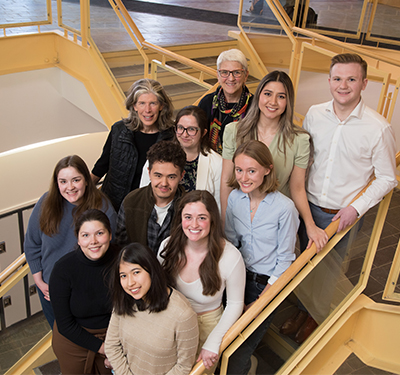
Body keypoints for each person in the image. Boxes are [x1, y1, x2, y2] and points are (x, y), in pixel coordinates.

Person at [280, 53, 398, 343]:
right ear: (329, 81)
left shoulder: (378, 127)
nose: (343, 85)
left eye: (351, 79)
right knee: (300, 263)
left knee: (327, 272)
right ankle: (299, 310)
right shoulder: (315, 115)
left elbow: (387, 178)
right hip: (306, 206)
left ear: (364, 83)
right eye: (337, 78)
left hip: (339, 216)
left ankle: (314, 317)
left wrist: (354, 209)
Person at [221, 70, 328, 251]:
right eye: (268, 94)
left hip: (277, 225)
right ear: (259, 96)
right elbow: (227, 181)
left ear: (288, 102)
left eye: (281, 96)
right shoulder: (234, 131)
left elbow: (297, 188)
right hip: (240, 218)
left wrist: (310, 225)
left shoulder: (299, 139)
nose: (273, 102)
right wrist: (225, 221)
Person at [224, 140, 299, 374]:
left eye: (251, 171)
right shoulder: (235, 198)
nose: (244, 177)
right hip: (237, 276)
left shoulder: (285, 208)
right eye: (239, 170)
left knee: (239, 351)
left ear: (267, 169)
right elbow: (229, 241)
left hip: (266, 285)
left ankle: (246, 367)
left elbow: (285, 261)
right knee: (224, 341)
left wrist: (260, 303)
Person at [24, 155, 117, 328]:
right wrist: (39, 281)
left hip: (85, 294)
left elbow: (109, 253)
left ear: (87, 180)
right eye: (63, 181)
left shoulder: (102, 208)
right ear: (57, 183)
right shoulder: (46, 203)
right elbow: (32, 244)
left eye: (76, 180)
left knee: (83, 341)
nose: (70, 187)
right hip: (49, 289)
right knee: (60, 338)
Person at [158, 190, 245, 371]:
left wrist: (213, 342)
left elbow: (235, 304)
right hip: (171, 320)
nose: (194, 224)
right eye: (188, 217)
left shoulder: (231, 257)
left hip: (208, 326)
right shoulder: (168, 245)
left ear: (212, 219)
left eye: (202, 218)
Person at [105, 243, 199, 375]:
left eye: (136, 272)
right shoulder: (124, 299)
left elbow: (183, 367)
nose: (130, 282)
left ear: (151, 270)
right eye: (123, 276)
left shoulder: (182, 314)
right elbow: (111, 346)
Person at [50, 209, 118, 374]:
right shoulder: (63, 269)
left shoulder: (124, 259)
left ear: (110, 234)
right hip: (73, 338)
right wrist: (102, 348)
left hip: (115, 335)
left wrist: (114, 347)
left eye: (99, 233)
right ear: (78, 239)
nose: (93, 241)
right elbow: (65, 324)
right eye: (85, 235)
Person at [91, 78, 175, 211]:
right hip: (114, 205)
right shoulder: (119, 130)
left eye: (152, 103)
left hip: (149, 208)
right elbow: (102, 165)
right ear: (134, 106)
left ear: (161, 106)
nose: (147, 110)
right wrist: (80, 194)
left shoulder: (172, 136)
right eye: (142, 103)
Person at [141, 106, 223, 209]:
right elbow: (143, 196)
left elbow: (218, 206)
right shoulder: (158, 154)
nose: (184, 134)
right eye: (180, 128)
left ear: (203, 132)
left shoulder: (217, 163)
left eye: (191, 129)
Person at [116, 140, 186, 253]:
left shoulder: (189, 207)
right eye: (158, 175)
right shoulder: (131, 201)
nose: (164, 183)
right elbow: (121, 247)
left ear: (181, 176)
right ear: (149, 173)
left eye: (171, 177)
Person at [198, 49, 253, 154]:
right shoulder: (207, 103)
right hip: (211, 162)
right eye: (225, 72)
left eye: (237, 72)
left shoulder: (255, 105)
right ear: (218, 75)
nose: (231, 78)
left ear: (246, 76)